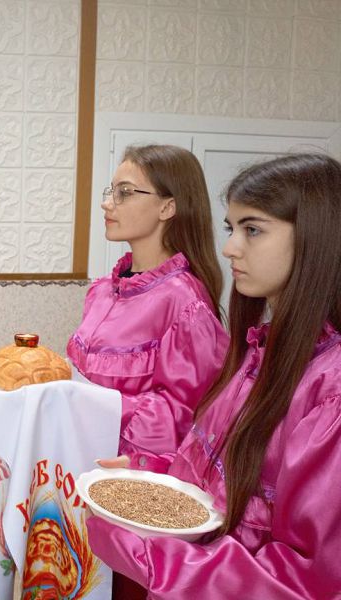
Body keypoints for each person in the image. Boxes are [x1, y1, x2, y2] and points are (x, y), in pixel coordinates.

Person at [87, 154, 341, 598]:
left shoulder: (329, 388)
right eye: (231, 228)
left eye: (253, 229)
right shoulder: (259, 353)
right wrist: (152, 472)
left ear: (316, 238)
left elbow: (308, 579)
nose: (230, 248)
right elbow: (228, 476)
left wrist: (148, 556)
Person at [67, 145, 228, 458]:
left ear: (167, 207)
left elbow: (187, 418)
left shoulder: (185, 302)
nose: (106, 203)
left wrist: (88, 403)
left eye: (125, 193)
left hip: (129, 476)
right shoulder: (101, 291)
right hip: (76, 460)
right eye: (111, 191)